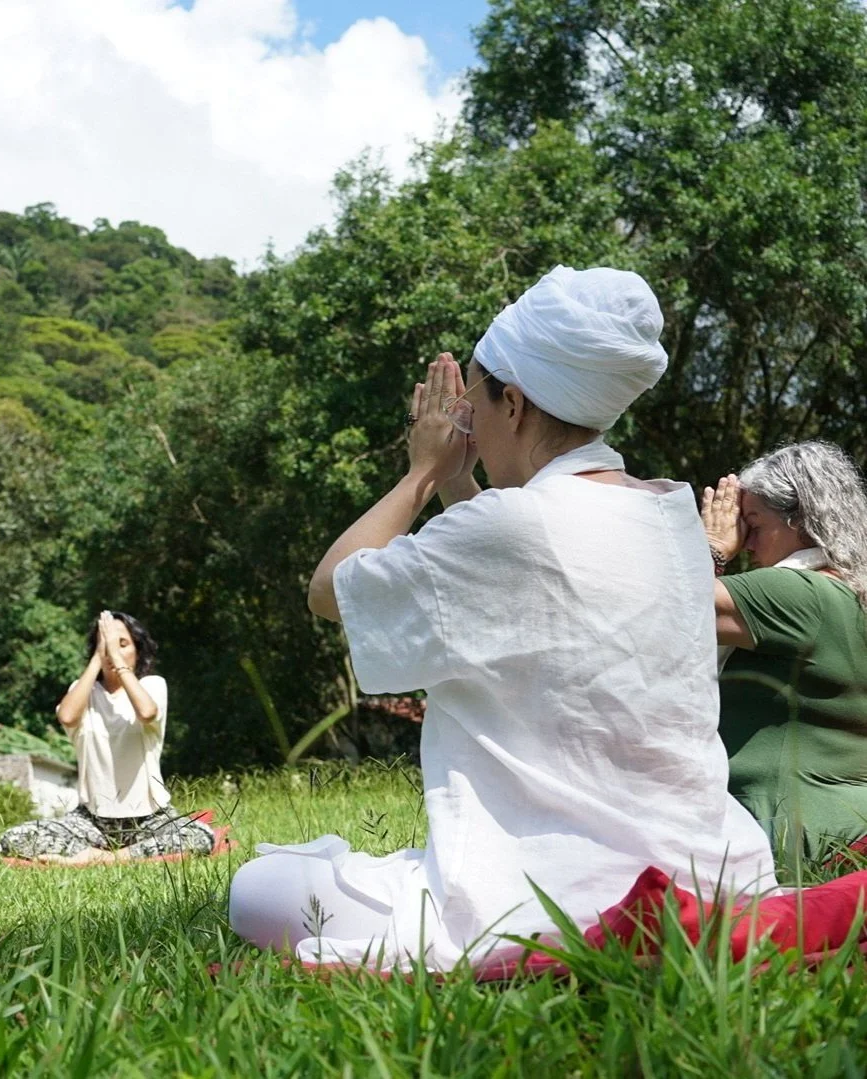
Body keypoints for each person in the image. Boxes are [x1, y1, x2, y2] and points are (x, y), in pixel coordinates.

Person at [229, 265, 776, 971]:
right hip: (709, 867)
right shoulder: (667, 513)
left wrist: (421, 474)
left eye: (474, 401)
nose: (468, 421)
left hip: (548, 889)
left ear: (512, 403)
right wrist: (461, 480)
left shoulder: (512, 526)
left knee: (259, 890)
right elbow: (517, 576)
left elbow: (329, 589)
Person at [700, 442, 867, 862]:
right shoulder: (849, 595)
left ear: (802, 523)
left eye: (754, 525)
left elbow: (662, 605)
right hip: (840, 831)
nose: (747, 544)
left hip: (790, 836)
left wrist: (713, 547)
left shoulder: (797, 592)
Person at [0, 610, 215, 865]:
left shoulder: (152, 685)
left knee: (199, 837)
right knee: (15, 838)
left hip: (150, 818)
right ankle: (113, 855)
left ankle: (106, 858)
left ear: (138, 650)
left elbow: (146, 712)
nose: (113, 651)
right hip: (92, 821)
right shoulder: (83, 692)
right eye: (106, 644)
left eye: (123, 644)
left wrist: (117, 659)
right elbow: (66, 717)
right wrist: (99, 657)